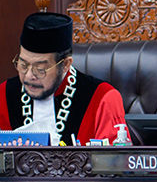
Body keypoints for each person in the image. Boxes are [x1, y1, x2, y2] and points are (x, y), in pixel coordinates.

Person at [0, 13, 126, 145]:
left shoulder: (102, 98)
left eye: (40, 69)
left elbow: (114, 157)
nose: (29, 76)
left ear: (65, 64)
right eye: (23, 65)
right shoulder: (3, 95)